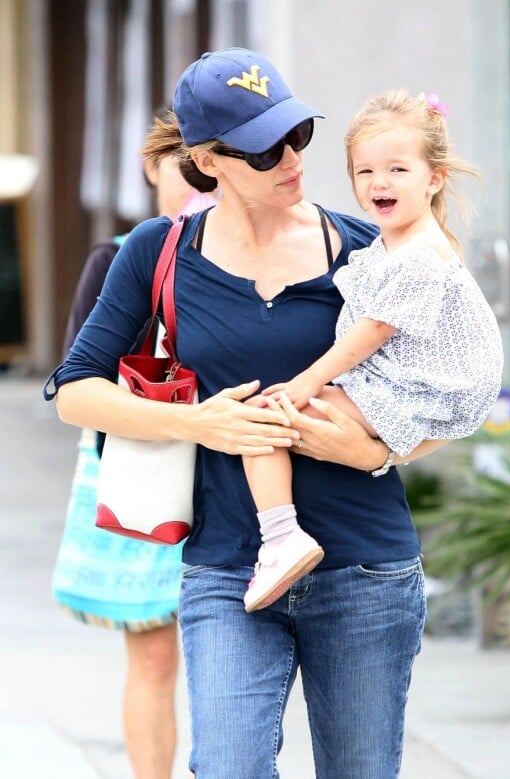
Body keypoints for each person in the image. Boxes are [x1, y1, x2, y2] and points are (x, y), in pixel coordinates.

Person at [44, 47, 457, 778]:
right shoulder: (157, 252)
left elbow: (450, 395)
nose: (292, 158)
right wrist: (199, 423)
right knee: (228, 765)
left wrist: (377, 451)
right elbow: (77, 389)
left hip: (365, 566)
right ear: (209, 159)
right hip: (229, 566)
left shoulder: (366, 249)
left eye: (297, 134)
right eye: (265, 149)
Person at [240, 88, 504, 612]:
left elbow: (370, 331)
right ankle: (282, 536)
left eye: (397, 170)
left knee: (264, 418)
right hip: (408, 385)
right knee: (270, 417)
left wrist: (306, 383)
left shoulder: (420, 254)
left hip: (420, 390)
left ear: (434, 178)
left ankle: (281, 537)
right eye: (365, 172)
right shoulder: (391, 245)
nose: (379, 182)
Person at [53, 107, 217, 779]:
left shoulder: (246, 257)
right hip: (142, 474)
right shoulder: (119, 259)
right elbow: (79, 384)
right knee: (153, 655)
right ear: (152, 169)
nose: (196, 185)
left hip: (231, 478)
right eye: (183, 170)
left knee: (225, 654)